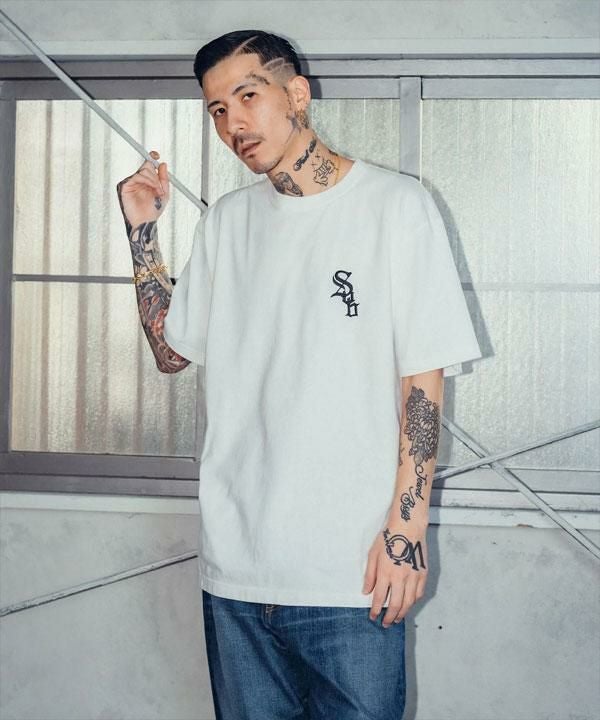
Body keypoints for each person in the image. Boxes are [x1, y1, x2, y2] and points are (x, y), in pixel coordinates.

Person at [116, 29, 482, 720]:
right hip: (236, 571)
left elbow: (422, 383)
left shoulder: (395, 206)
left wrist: (406, 533)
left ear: (297, 94)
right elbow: (172, 353)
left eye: (247, 96)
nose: (234, 122)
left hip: (351, 572)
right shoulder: (227, 223)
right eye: (217, 109)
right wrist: (141, 232)